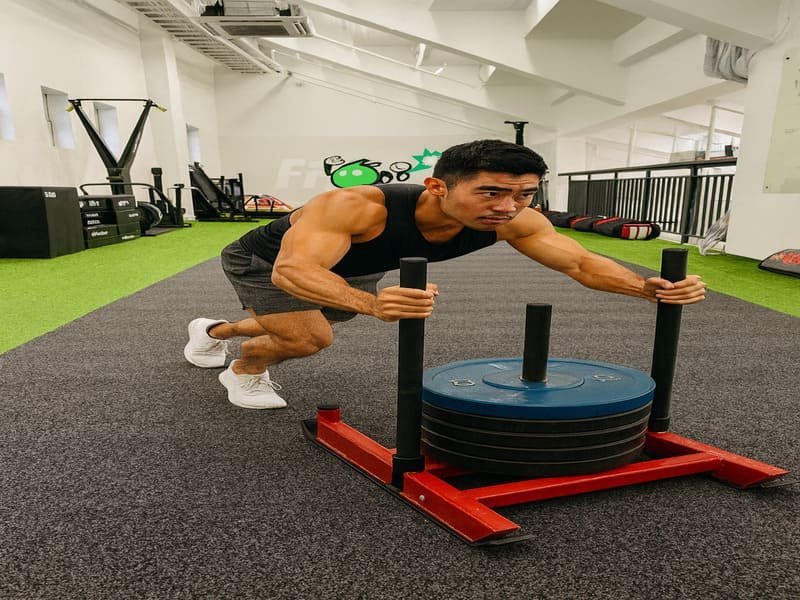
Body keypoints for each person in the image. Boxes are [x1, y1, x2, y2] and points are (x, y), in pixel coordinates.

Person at [183, 139, 706, 409]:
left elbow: (579, 261)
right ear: (438, 188)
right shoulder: (356, 206)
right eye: (492, 192)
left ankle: (213, 332)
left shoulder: (513, 221)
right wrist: (369, 304)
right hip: (266, 260)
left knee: (294, 322)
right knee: (309, 335)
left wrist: (645, 288)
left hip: (359, 268)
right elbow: (294, 270)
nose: (509, 207)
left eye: (524, 194)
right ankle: (244, 371)